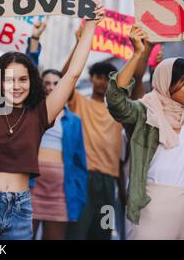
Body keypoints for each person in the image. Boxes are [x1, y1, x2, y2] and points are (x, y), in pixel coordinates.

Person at [0, 0, 104, 240]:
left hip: (22, 209)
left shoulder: (41, 113)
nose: (16, 86)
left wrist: (92, 26)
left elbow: (72, 74)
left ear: (33, 82)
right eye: (8, 80)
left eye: (22, 79)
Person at [106, 25, 184, 240]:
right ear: (166, 83)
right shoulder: (145, 112)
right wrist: (139, 53)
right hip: (151, 202)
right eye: (183, 83)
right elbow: (116, 101)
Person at [62, 37, 123, 239]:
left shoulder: (119, 111)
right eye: (98, 76)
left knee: (103, 233)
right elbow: (64, 79)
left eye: (107, 78)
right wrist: (79, 43)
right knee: (76, 232)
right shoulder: (79, 101)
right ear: (91, 78)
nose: (102, 81)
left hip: (108, 183)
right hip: (82, 178)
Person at [31, 69, 88, 240]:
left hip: (61, 191)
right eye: (47, 83)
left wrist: (78, 193)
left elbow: (80, 163)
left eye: (56, 83)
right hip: (31, 186)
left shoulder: (74, 121)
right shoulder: (32, 113)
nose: (51, 87)